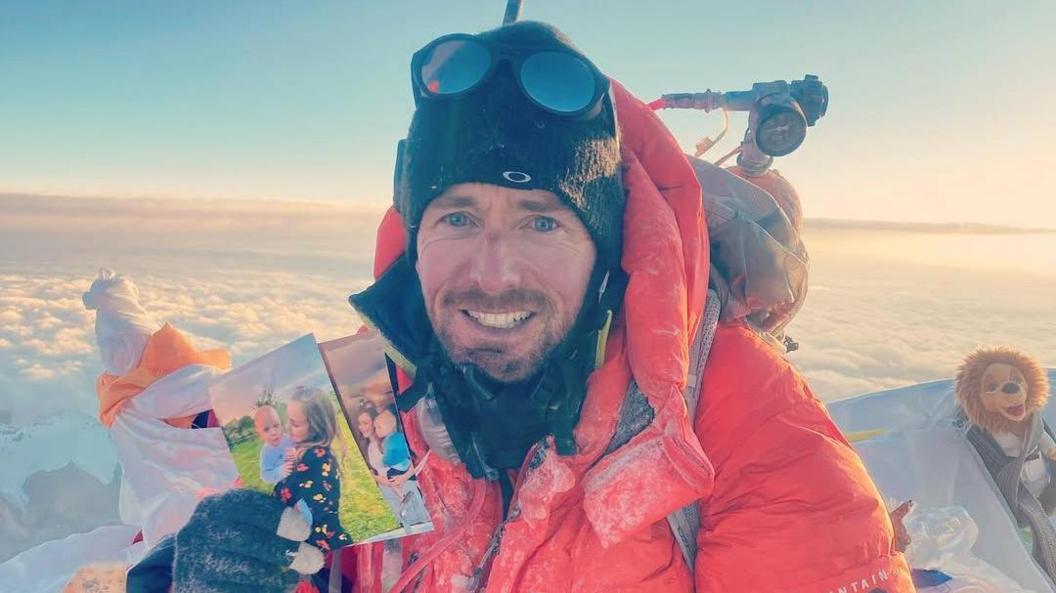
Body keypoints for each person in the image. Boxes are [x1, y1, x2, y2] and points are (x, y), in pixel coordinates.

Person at [162, 21, 913, 593]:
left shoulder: (745, 428)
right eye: (456, 216)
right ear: (413, 236)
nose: (493, 273)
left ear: (607, 245)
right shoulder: (339, 403)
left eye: (541, 221)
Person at [275, 387, 351, 552]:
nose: (287, 427)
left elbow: (288, 496)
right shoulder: (311, 455)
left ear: (316, 427)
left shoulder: (318, 457)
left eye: (294, 424)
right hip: (317, 544)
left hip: (325, 546)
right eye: (288, 421)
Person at [254, 404, 295, 485]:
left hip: (300, 476)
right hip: (284, 485)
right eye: (266, 429)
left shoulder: (290, 439)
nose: (274, 432)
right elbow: (265, 475)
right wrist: (280, 471)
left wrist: (296, 453)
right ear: (260, 435)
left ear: (281, 424)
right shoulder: (266, 453)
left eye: (276, 426)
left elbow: (303, 450)